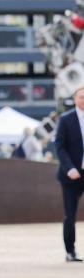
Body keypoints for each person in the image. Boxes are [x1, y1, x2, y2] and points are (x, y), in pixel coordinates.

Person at [54, 87, 84, 262]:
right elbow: (59, 146)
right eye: (81, 97)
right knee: (70, 215)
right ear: (75, 99)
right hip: (71, 175)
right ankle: (70, 251)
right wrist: (69, 167)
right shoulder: (66, 119)